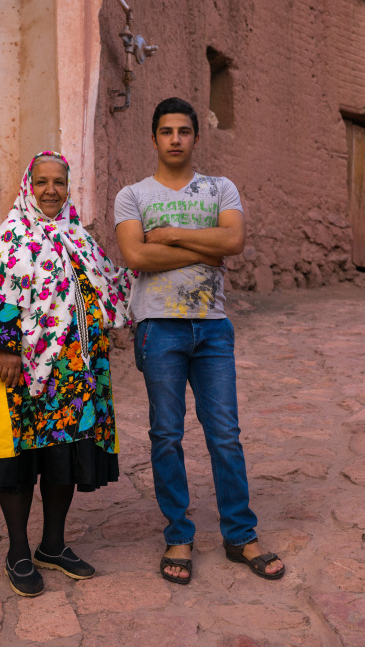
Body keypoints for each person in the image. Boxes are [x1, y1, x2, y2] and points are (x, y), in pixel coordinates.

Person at [114, 97, 284, 584]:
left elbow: (232, 243)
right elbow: (133, 256)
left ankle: (240, 535)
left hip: (211, 326)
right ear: (153, 138)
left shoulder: (220, 189)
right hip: (157, 326)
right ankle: (178, 535)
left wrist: (166, 235)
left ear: (194, 137)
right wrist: (198, 245)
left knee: (224, 435)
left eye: (183, 131)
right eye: (166, 131)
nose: (174, 139)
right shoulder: (132, 195)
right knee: (166, 435)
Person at [0, 150, 134, 598]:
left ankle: (53, 545)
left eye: (58, 182)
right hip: (20, 369)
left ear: (67, 185)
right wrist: (3, 347)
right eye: (42, 182)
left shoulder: (78, 235)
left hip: (74, 372)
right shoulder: (11, 236)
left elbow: (107, 286)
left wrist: (150, 267)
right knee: (19, 461)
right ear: (29, 185)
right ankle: (18, 551)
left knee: (63, 458)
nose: (50, 191)